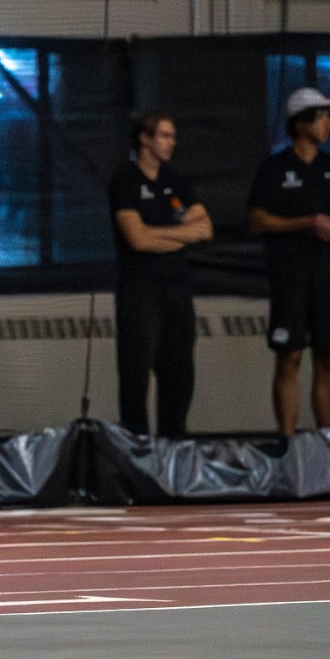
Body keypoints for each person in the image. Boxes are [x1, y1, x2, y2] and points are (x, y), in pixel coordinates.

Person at [247, 87, 330, 436]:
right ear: (301, 123)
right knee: (290, 357)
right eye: (320, 117)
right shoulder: (274, 168)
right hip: (290, 277)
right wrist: (303, 223)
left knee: (329, 357)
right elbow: (257, 219)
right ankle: (287, 442)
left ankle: (328, 442)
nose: (327, 123)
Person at [107, 112, 212, 437]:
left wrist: (158, 235)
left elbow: (205, 229)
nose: (171, 142)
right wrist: (180, 234)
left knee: (179, 372)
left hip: (178, 288)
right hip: (140, 290)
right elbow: (137, 240)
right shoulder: (125, 180)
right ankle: (135, 448)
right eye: (164, 135)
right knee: (136, 372)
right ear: (145, 138)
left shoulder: (175, 180)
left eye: (173, 136)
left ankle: (175, 446)